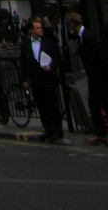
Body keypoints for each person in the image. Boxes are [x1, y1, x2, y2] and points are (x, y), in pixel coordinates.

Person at [68, 11, 108, 145]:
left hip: (99, 76)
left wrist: (107, 75)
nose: (69, 28)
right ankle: (100, 133)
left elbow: (101, 56)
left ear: (73, 24)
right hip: (93, 76)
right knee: (93, 103)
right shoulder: (82, 36)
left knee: (107, 106)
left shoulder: (88, 36)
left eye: (69, 25)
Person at [20, 14, 63, 143]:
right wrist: (24, 79)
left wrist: (51, 66)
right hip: (36, 80)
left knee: (53, 106)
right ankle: (48, 129)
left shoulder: (48, 42)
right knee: (42, 107)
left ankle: (57, 130)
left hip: (48, 79)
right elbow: (23, 63)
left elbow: (57, 58)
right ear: (31, 30)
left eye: (40, 27)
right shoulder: (26, 44)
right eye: (37, 28)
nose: (40, 30)